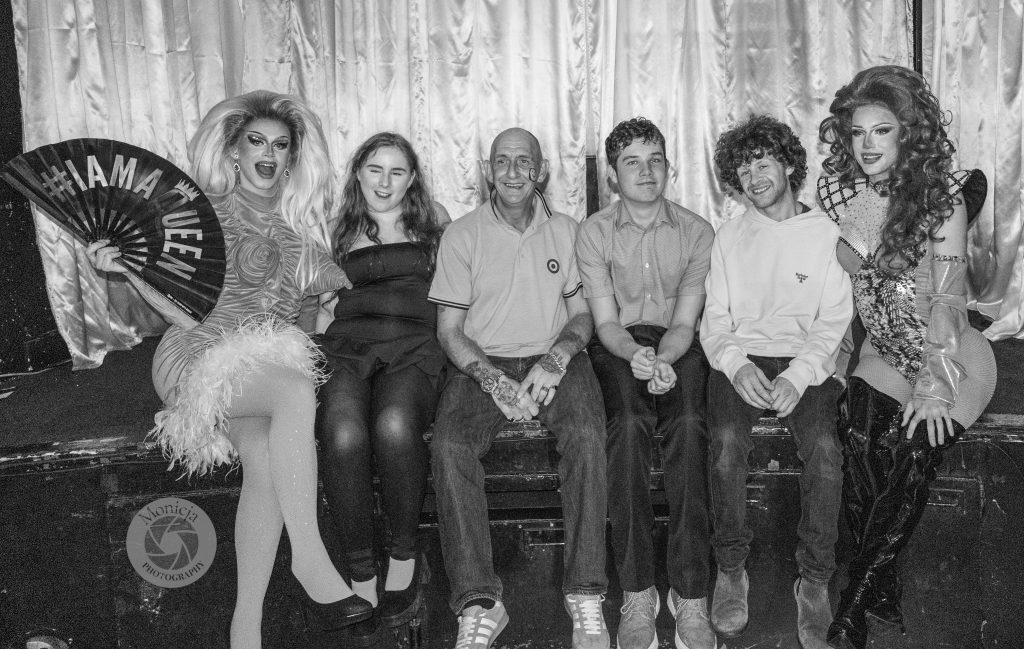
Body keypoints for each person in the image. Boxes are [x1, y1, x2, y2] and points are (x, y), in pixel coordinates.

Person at [85, 90, 369, 649]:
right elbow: (173, 312)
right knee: (292, 388)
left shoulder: (302, 246)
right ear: (234, 152)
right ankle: (310, 558)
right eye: (255, 142)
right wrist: (119, 271)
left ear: (291, 159)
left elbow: (303, 332)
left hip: (262, 370)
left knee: (266, 459)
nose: (268, 154)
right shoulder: (194, 218)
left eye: (280, 145)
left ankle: (245, 630)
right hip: (194, 356)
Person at [817, 65, 995, 649]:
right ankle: (881, 580)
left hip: (950, 349)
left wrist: (935, 384)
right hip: (887, 348)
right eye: (857, 132)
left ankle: (852, 604)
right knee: (859, 434)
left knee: (919, 445)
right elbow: (852, 269)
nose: (867, 145)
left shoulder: (941, 204)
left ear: (907, 135)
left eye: (882, 131)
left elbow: (948, 299)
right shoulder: (867, 200)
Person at [428, 127, 609, 649]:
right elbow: (449, 331)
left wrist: (556, 358)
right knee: (450, 445)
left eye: (523, 161)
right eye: (501, 161)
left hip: (556, 355)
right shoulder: (461, 234)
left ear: (541, 170)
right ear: (487, 171)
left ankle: (586, 595)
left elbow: (582, 316)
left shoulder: (569, 231)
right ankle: (481, 603)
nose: (512, 171)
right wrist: (493, 380)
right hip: (481, 362)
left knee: (588, 434)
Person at [703, 115, 854, 649]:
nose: (753, 175)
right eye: (743, 168)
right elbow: (714, 321)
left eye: (763, 161)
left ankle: (813, 582)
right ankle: (730, 568)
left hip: (805, 363)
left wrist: (797, 375)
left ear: (789, 165)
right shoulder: (728, 236)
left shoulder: (827, 235)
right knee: (723, 444)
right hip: (740, 360)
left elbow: (832, 322)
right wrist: (737, 364)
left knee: (824, 450)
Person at [575, 116, 716, 649]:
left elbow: (684, 323)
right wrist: (638, 355)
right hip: (619, 343)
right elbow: (606, 323)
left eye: (655, 159)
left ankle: (691, 593)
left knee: (688, 423)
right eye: (632, 162)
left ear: (670, 166)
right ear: (614, 175)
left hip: (679, 341)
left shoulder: (697, 231)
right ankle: (638, 592)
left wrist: (666, 359)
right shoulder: (594, 232)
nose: (646, 171)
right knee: (628, 424)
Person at [316, 132, 450, 638]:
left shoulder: (434, 223)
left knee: (393, 427)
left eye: (397, 171)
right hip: (348, 347)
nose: (385, 182)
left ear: (411, 179)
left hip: (415, 345)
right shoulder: (339, 230)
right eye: (375, 169)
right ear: (358, 173)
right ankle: (361, 568)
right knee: (345, 433)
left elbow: (460, 292)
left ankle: (402, 554)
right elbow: (323, 305)